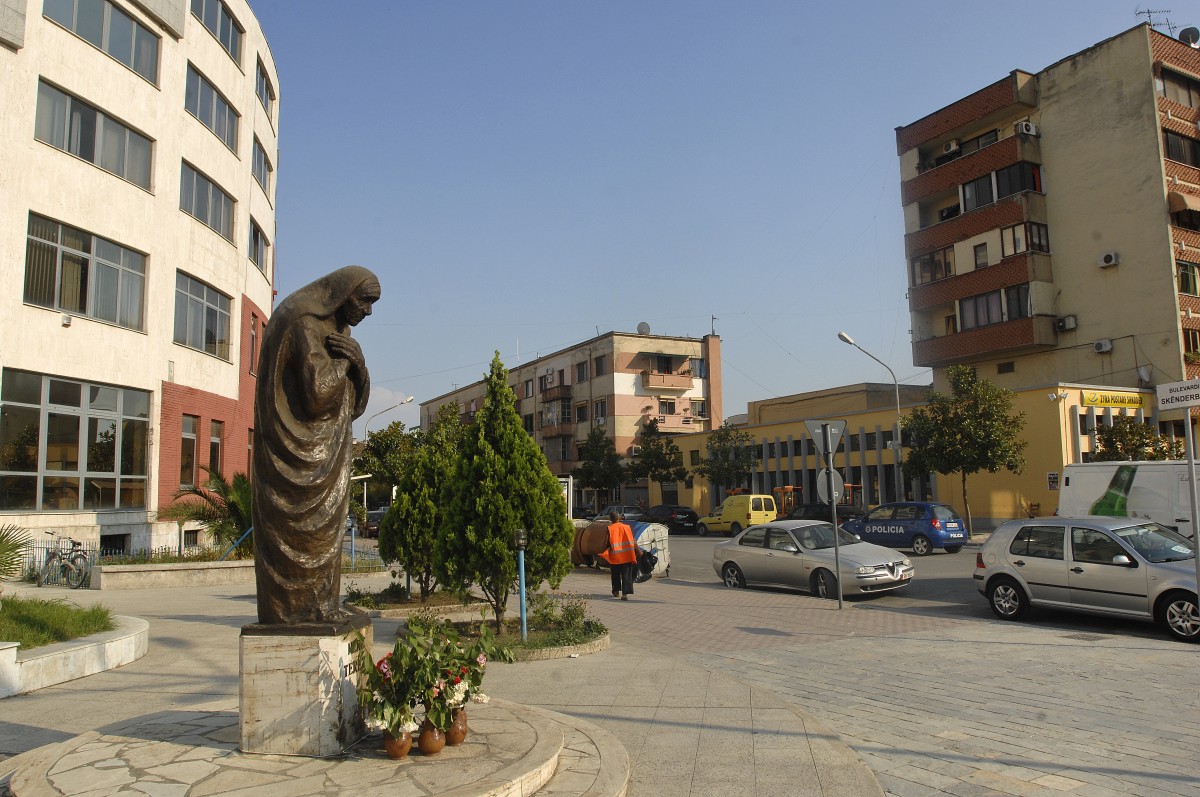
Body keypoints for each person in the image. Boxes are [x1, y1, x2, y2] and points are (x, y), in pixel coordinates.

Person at [251, 266, 381, 626]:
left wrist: (359, 366)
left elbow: (352, 407)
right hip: (298, 462)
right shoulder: (303, 322)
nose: (367, 311)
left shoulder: (338, 331)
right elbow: (318, 395)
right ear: (343, 293)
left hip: (327, 456)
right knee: (303, 541)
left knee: (327, 539)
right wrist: (349, 360)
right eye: (365, 300)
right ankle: (298, 612)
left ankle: (321, 605)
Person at [601, 510, 640, 600]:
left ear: (610, 519)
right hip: (627, 555)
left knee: (615, 574)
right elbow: (633, 541)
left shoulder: (610, 528)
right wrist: (638, 551)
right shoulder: (627, 527)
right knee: (626, 575)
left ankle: (616, 591)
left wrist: (604, 551)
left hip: (616, 556)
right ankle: (625, 594)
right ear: (619, 518)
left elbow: (607, 542)